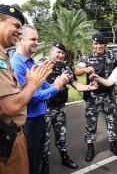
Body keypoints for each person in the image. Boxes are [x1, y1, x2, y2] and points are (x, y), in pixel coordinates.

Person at [0, 4, 52, 174]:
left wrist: (29, 84)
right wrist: (32, 85)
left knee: (36, 159)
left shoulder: (5, 55)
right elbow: (10, 106)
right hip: (11, 133)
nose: (18, 31)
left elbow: (14, 92)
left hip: (17, 131)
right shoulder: (12, 60)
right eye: (15, 26)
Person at [11, 24, 69, 174]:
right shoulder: (17, 64)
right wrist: (55, 87)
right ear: (20, 40)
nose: (37, 42)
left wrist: (58, 83)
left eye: (37, 39)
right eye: (33, 39)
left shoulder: (31, 62)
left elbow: (43, 86)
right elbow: (28, 97)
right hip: (29, 122)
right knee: (30, 162)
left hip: (40, 118)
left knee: (38, 158)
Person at [41, 42, 98, 174]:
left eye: (62, 53)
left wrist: (89, 87)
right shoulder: (43, 65)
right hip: (45, 110)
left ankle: (65, 158)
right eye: (58, 52)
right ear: (51, 52)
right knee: (45, 139)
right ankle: (44, 165)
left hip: (60, 109)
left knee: (62, 136)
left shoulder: (65, 67)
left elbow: (76, 84)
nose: (61, 55)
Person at [75, 32, 117, 162]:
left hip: (109, 95)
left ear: (104, 44)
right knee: (91, 123)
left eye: (101, 43)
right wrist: (85, 69)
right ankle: (90, 149)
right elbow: (77, 71)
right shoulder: (87, 57)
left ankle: (113, 145)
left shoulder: (111, 55)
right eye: (96, 43)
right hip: (93, 96)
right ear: (93, 44)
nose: (99, 46)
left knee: (112, 121)